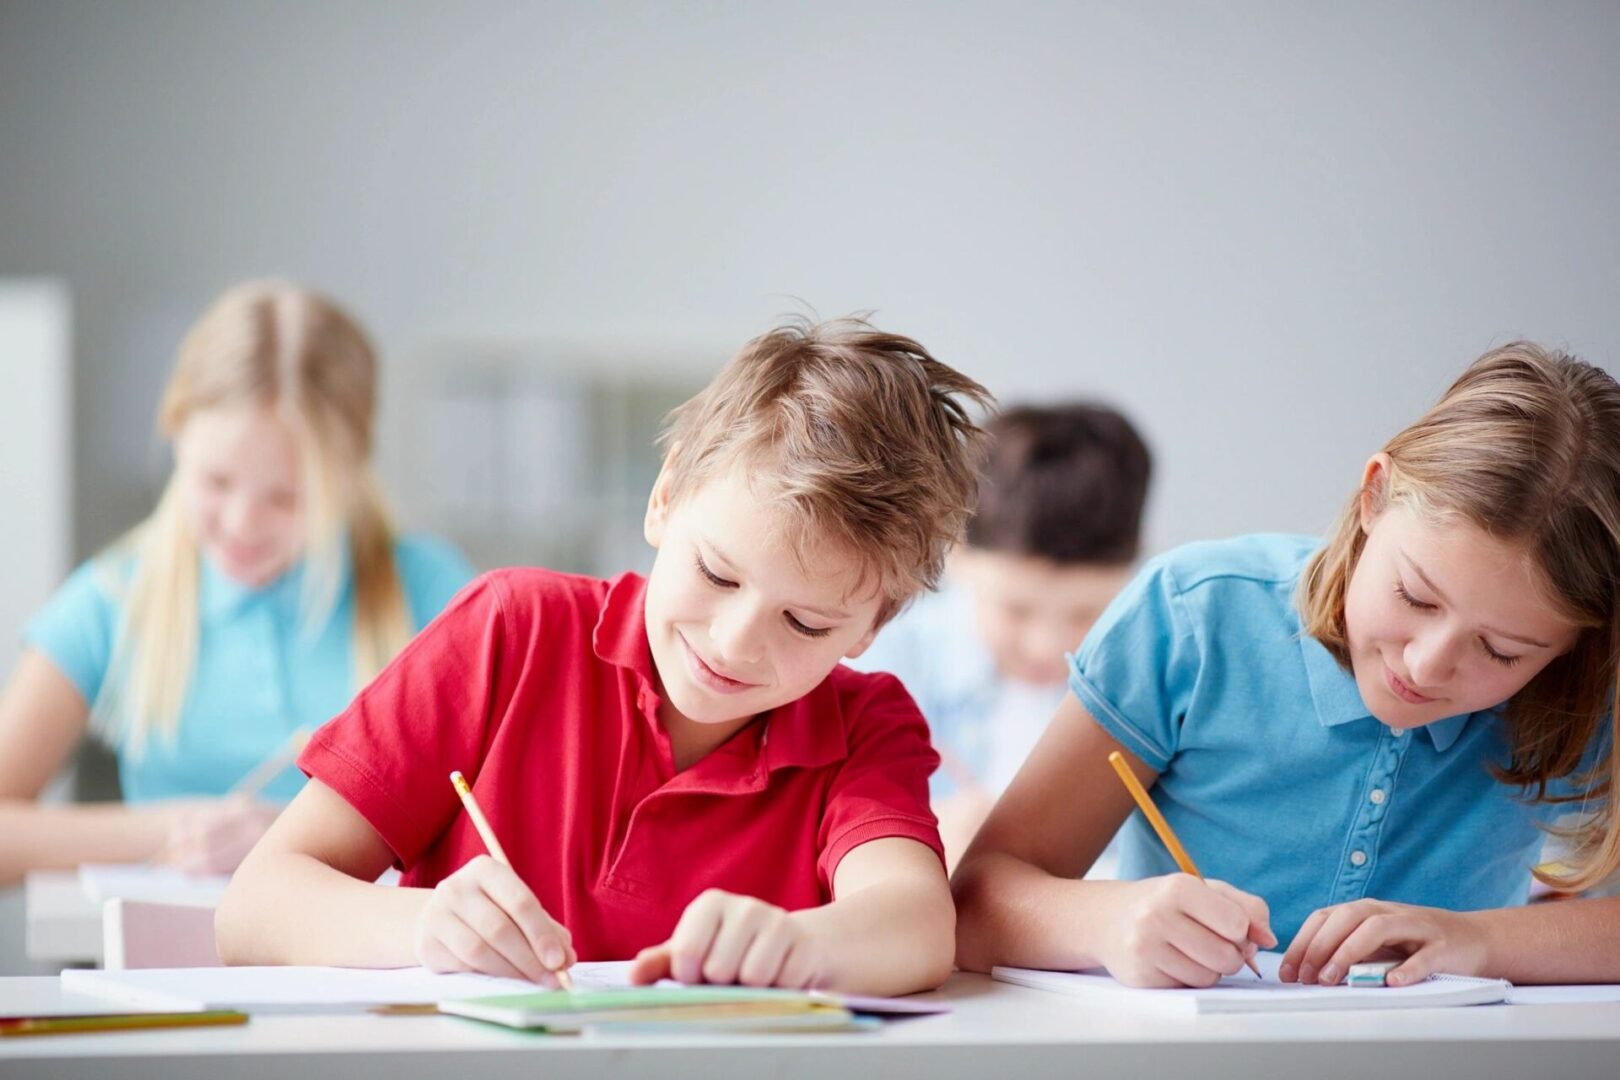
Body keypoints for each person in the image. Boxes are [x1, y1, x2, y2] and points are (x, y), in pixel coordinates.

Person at [216, 316, 992, 997]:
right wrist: (425, 925)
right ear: (663, 499)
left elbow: (917, 925)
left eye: (806, 623)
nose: (731, 643)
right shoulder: (509, 630)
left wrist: (805, 946)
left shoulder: (865, 725)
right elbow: (254, 907)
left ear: (870, 628)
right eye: (716, 574)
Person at [954, 342, 1620, 989]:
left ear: (1571, 647)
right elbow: (977, 901)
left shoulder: (1581, 686)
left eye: (1501, 651)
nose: (1426, 664)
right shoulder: (1196, 619)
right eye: (1415, 596)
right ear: (1374, 498)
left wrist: (1481, 939)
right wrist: (1104, 922)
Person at [0, 281, 474, 883]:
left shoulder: (436, 597)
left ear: (348, 477)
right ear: (175, 435)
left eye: (286, 498)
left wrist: (292, 839)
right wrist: (179, 829)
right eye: (217, 482)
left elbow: (499, 822)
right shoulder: (115, 600)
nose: (242, 525)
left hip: (371, 968)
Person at [855, 403, 1150, 868]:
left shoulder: (1154, 684)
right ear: (954, 551)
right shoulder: (873, 664)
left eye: (1086, 611)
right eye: (1016, 609)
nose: (1045, 645)